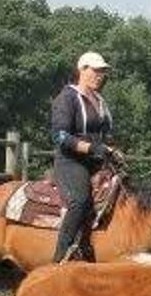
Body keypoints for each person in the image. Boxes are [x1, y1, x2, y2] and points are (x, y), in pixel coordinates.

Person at [48, 50, 123, 262]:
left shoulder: (100, 101)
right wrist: (92, 149)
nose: (100, 75)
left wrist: (113, 150)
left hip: (97, 162)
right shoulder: (67, 98)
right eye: (96, 70)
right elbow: (60, 136)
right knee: (80, 201)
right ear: (82, 70)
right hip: (71, 162)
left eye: (102, 72)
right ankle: (60, 258)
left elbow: (107, 135)